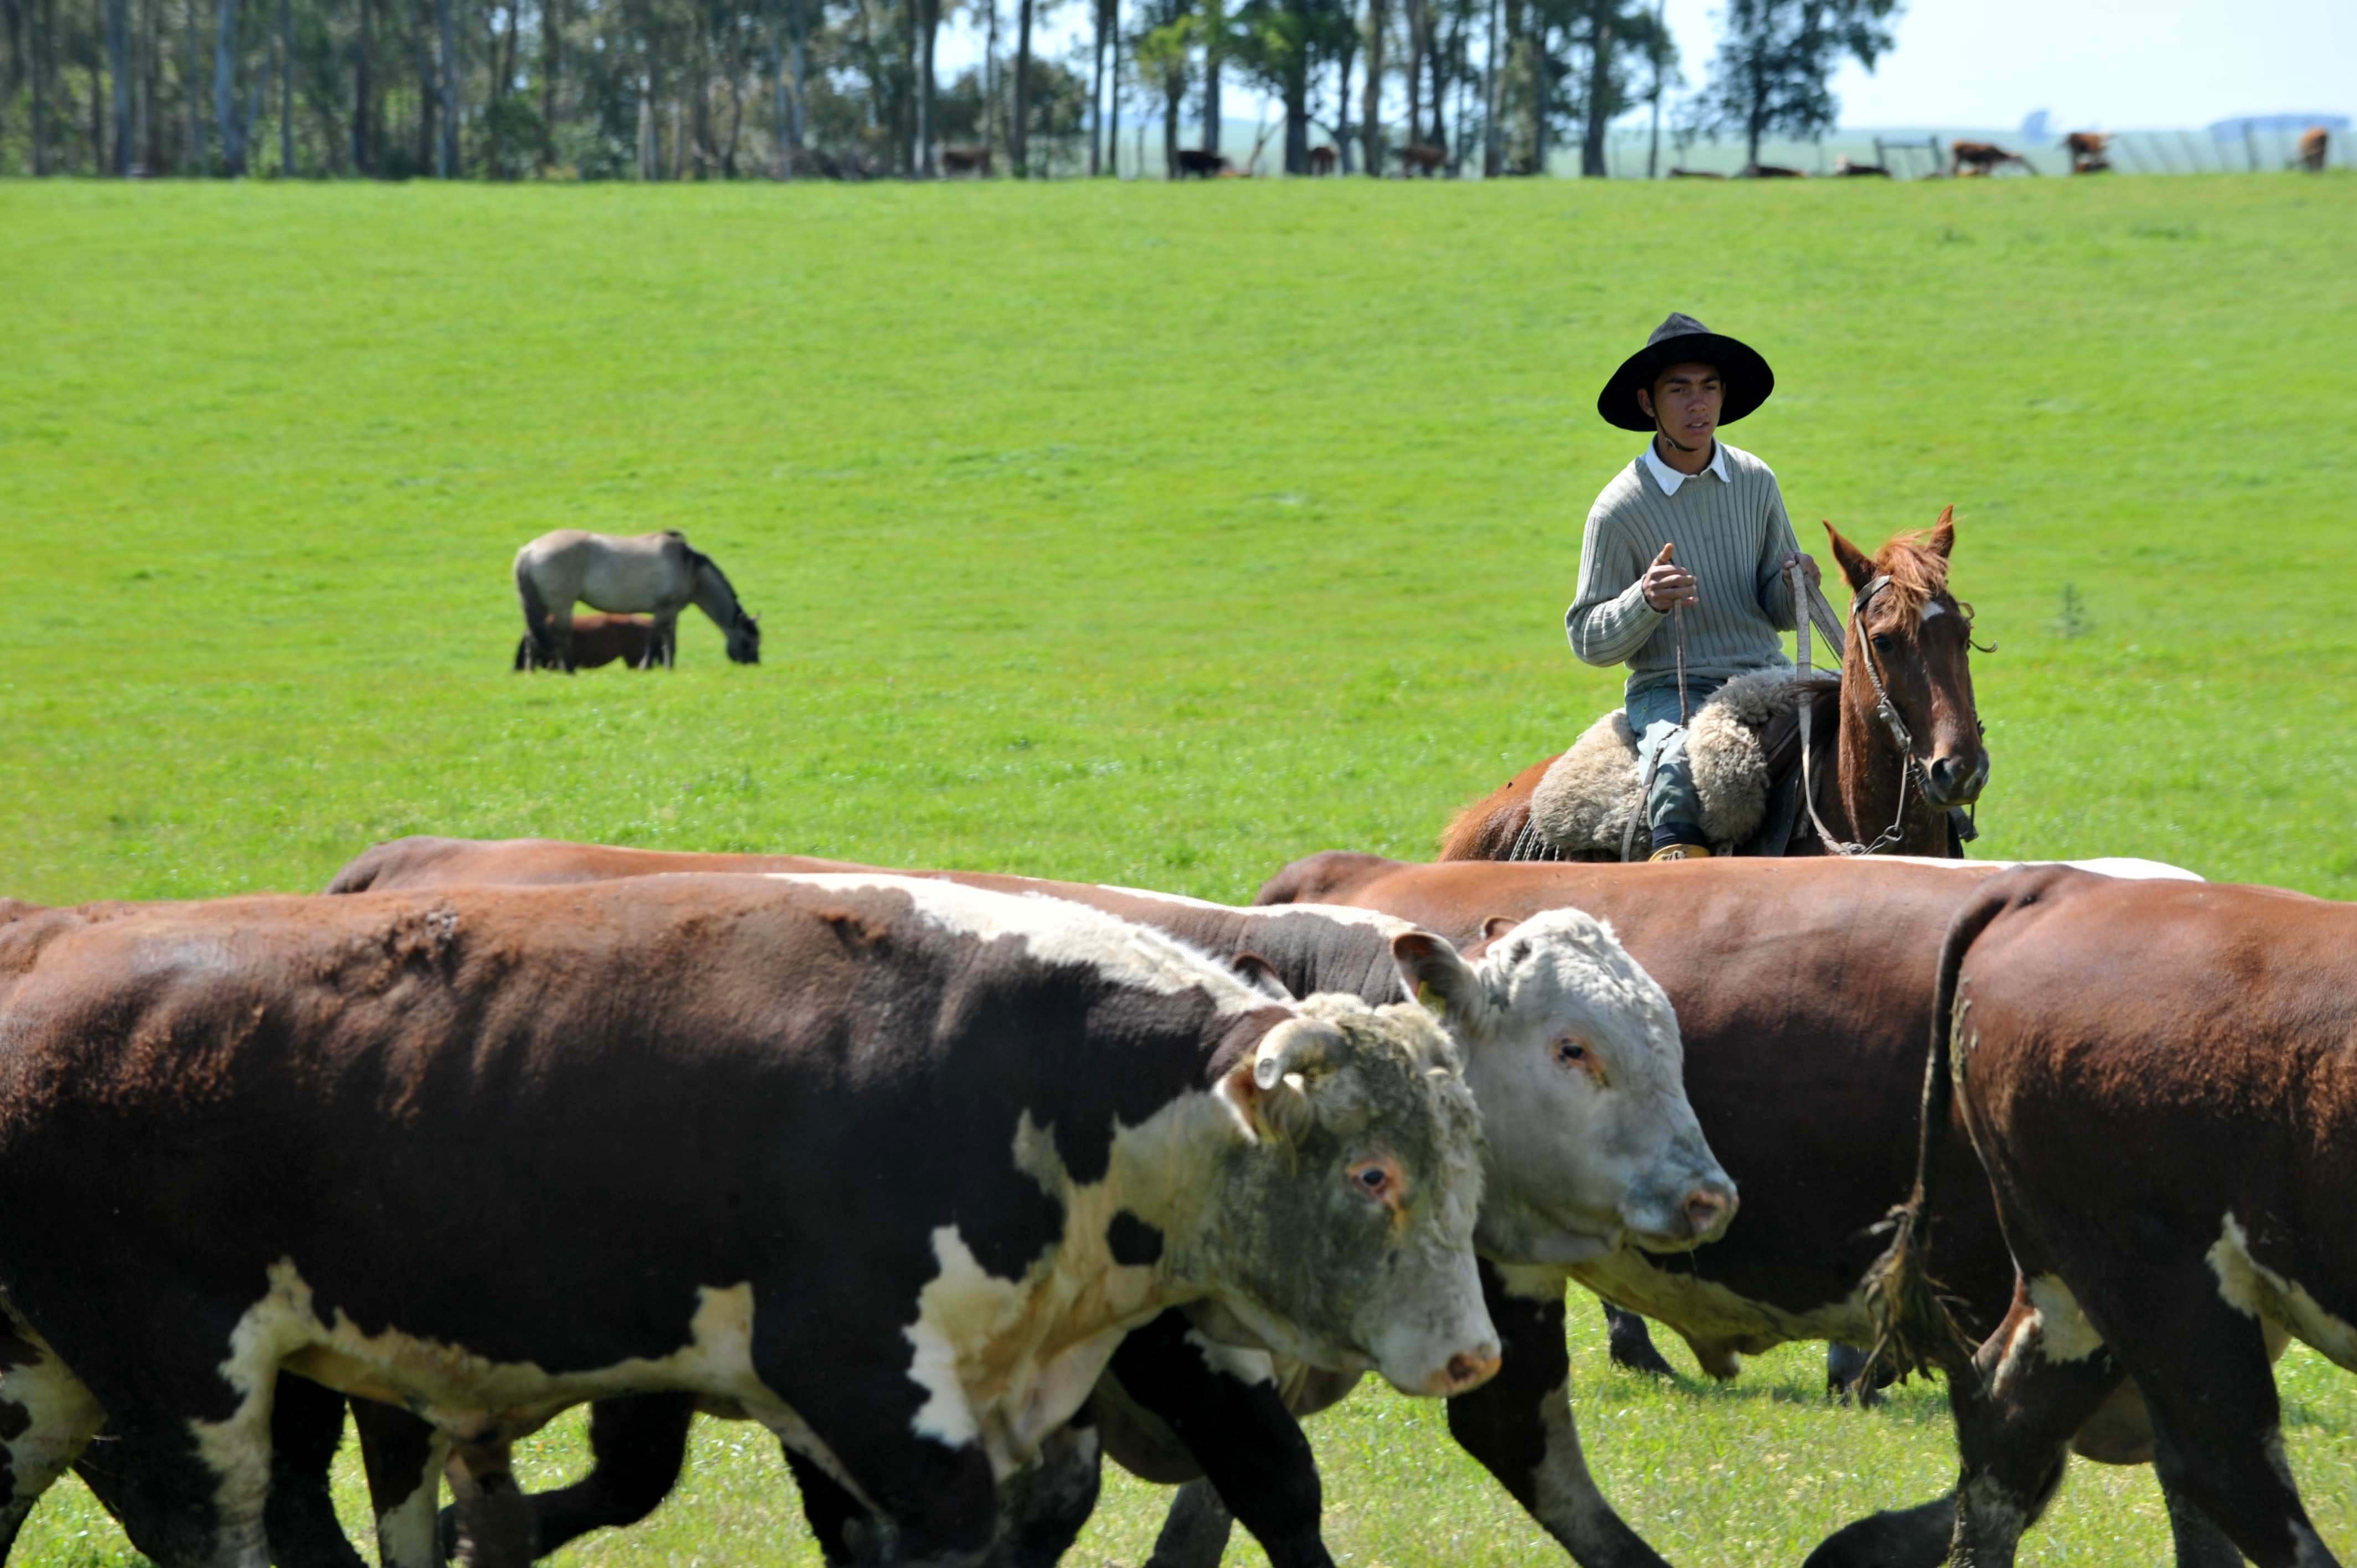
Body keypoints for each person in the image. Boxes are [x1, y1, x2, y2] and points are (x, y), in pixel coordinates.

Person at [1565, 313, 1842, 860]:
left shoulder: (1755, 479)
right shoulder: (1618, 509)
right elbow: (1586, 640)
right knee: (1676, 766)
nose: (1698, 404)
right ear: (1647, 404)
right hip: (1672, 691)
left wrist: (1794, 585)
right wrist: (1643, 601)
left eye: (1708, 388)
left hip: (1765, 672)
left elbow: (1774, 605)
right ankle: (1678, 895)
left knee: (1874, 721)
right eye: (1679, 389)